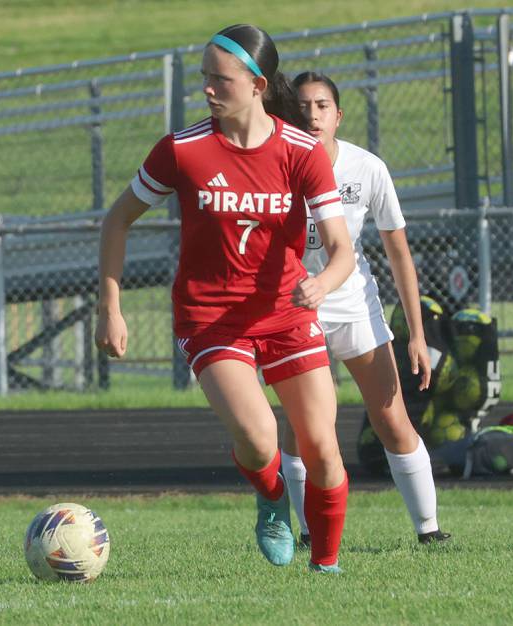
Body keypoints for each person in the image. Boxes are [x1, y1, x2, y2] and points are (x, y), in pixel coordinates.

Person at [96, 25, 355, 573]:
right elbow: (117, 221)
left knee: (323, 449)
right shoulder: (182, 150)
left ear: (258, 84)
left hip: (287, 313)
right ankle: (270, 496)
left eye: (221, 79)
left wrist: (323, 283)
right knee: (261, 441)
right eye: (205, 78)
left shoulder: (302, 151)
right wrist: (110, 306)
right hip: (211, 318)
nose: (209, 89)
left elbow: (341, 250)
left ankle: (326, 570)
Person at [280, 71, 451, 547]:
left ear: (338, 115)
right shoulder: (277, 164)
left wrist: (415, 333)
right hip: (295, 309)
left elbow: (399, 253)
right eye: (302, 106)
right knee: (307, 424)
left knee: (392, 417)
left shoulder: (367, 168)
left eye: (321, 106)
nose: (312, 115)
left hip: (354, 304)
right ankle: (310, 530)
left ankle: (429, 530)